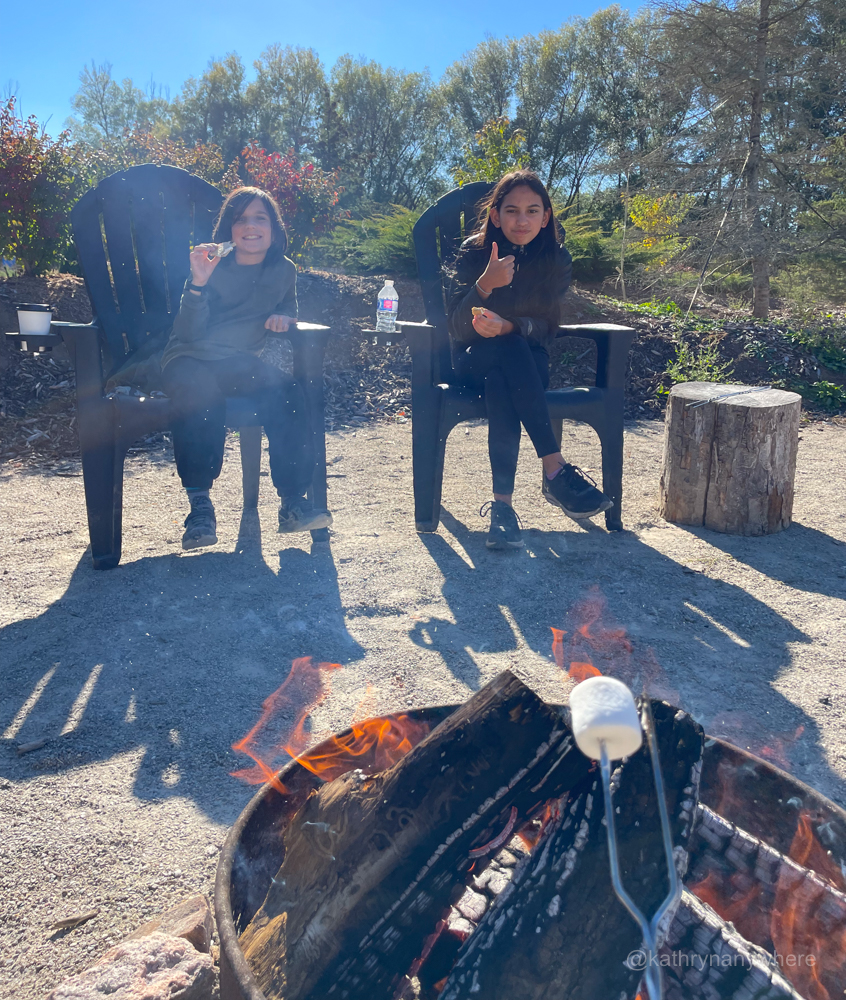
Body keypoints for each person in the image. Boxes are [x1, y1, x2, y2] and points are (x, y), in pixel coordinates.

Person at [447, 170, 612, 551]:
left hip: (526, 360)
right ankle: (555, 469)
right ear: (495, 215)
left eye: (532, 211)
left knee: (504, 374)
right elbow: (455, 327)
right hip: (473, 359)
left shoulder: (556, 258)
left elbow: (548, 326)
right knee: (505, 359)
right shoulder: (473, 253)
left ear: (545, 216)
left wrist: (510, 326)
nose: (522, 220)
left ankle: (503, 510)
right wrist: (484, 284)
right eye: (512, 210)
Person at [160, 186, 332, 550]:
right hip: (189, 358)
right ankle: (200, 508)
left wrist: (283, 316)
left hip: (238, 362)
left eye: (260, 218)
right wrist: (199, 282)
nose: (250, 226)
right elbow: (187, 333)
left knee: (287, 392)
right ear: (229, 229)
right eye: (240, 219)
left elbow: (288, 305)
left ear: (274, 229)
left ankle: (292, 503)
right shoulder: (211, 264)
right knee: (200, 392)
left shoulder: (284, 270)